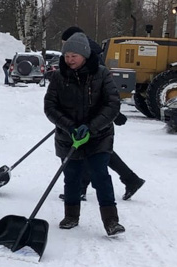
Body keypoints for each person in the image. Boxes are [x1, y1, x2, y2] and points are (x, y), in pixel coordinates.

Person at [44, 32, 125, 235]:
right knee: (72, 176)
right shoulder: (59, 76)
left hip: (99, 135)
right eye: (67, 56)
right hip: (68, 136)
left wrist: (91, 127)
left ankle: (111, 221)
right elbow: (50, 107)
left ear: (85, 55)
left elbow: (112, 104)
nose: (70, 60)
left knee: (100, 176)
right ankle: (71, 216)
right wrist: (70, 127)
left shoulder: (102, 74)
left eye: (74, 56)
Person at [61, 25, 145, 201]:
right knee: (97, 149)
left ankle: (81, 188)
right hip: (91, 110)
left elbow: (99, 86)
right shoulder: (89, 50)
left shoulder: (88, 55)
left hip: (94, 112)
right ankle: (130, 180)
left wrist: (112, 112)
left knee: (90, 149)